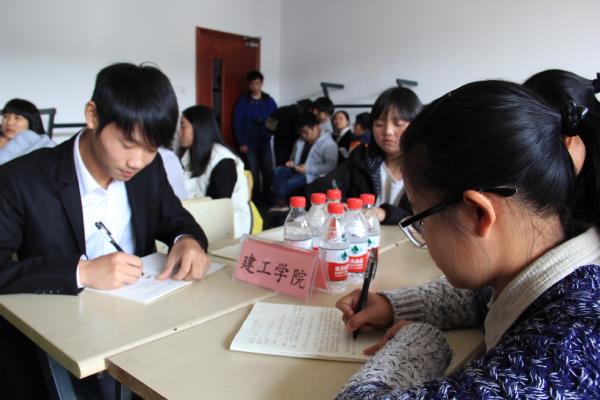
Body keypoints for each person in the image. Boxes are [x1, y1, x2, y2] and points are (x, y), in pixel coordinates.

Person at [335, 80, 600, 398]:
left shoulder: (563, 355)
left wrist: (419, 343)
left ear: (478, 214)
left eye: (420, 218)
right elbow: (483, 298)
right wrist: (394, 306)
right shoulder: (563, 264)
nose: (424, 237)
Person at [0, 63, 210, 399]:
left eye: (151, 148)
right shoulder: (22, 179)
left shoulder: (148, 170)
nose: (137, 161)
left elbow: (177, 220)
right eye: (127, 143)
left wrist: (187, 241)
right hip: (62, 347)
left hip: (141, 335)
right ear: (93, 116)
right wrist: (81, 272)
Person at [307, 87, 422, 225]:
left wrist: (385, 213)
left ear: (417, 126)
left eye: (398, 124)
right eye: (379, 124)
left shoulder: (428, 168)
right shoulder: (362, 157)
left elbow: (429, 218)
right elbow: (329, 182)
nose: (388, 131)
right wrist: (335, 201)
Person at [179, 105, 252, 238]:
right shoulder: (189, 155)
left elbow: (217, 209)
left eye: (183, 126)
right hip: (200, 218)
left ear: (198, 128)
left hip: (229, 228)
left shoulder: (223, 160)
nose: (179, 132)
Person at [271, 113, 337, 208]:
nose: (303, 135)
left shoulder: (329, 144)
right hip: (296, 169)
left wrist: (307, 169)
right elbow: (293, 158)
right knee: (277, 171)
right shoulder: (300, 141)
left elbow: (331, 166)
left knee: (288, 183)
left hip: (311, 175)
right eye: (301, 133)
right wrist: (292, 163)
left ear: (316, 128)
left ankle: (280, 204)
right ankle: (280, 202)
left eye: (306, 132)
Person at [233, 70, 278, 204]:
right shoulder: (242, 101)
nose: (255, 86)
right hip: (249, 143)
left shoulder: (269, 100)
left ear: (261, 83)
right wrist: (242, 142)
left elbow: (276, 118)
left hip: (265, 141)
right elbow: (237, 123)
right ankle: (255, 198)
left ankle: (267, 196)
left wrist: (270, 132)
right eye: (252, 84)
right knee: (253, 171)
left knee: (267, 170)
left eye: (257, 83)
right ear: (249, 85)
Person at [0, 98, 54, 163]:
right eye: (5, 116)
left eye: (17, 118)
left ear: (30, 121)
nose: (9, 123)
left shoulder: (40, 143)